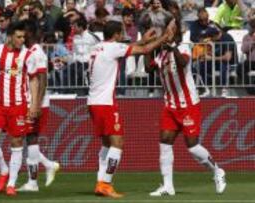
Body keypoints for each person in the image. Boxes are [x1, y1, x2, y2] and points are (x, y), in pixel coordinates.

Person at [88, 20, 174, 198]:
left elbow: (131, 46)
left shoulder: (98, 47)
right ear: (117, 34)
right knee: (117, 144)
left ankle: (100, 182)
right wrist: (164, 37)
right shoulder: (113, 48)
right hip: (105, 103)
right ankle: (106, 183)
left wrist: (143, 39)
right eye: (121, 33)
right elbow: (143, 51)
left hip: (93, 101)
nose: (123, 36)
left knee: (106, 144)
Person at [144, 20, 227, 197]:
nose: (167, 33)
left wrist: (172, 46)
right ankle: (168, 186)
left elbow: (182, 63)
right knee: (165, 142)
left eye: (170, 31)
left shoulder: (183, 48)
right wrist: (147, 47)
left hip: (188, 105)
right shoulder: (161, 56)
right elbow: (147, 68)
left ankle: (217, 171)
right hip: (170, 106)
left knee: (192, 146)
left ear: (176, 35)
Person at [0, 21, 41, 196]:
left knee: (16, 143)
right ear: (10, 36)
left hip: (18, 105)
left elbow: (34, 80)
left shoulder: (28, 55)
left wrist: (34, 104)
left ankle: (11, 184)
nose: (22, 40)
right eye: (19, 37)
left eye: (24, 37)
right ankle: (4, 170)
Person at [17, 19, 60, 192]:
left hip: (36, 102)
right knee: (26, 137)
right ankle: (48, 165)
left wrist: (36, 104)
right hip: (27, 100)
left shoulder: (38, 53)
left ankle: (32, 182)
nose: (20, 35)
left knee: (31, 138)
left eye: (23, 31)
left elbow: (42, 80)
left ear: (30, 33)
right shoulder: (28, 52)